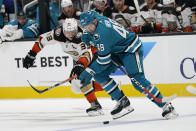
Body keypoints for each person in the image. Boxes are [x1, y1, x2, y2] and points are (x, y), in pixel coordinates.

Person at [77, 10, 178, 119]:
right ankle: (122, 101)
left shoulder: (103, 33)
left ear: (95, 21)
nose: (88, 29)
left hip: (130, 49)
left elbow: (104, 61)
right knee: (98, 74)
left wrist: (87, 72)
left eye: (89, 26)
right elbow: (90, 28)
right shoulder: (95, 18)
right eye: (85, 27)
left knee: (137, 80)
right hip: (116, 49)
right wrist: (86, 36)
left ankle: (167, 106)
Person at [23, 18, 105, 116]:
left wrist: (79, 65)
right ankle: (110, 87)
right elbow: (42, 39)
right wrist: (32, 54)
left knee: (81, 80)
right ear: (63, 30)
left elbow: (87, 54)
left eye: (73, 32)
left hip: (94, 55)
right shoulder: (57, 33)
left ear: (76, 30)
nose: (70, 35)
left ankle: (96, 106)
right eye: (67, 32)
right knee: (76, 86)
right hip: (79, 59)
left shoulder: (82, 36)